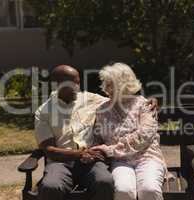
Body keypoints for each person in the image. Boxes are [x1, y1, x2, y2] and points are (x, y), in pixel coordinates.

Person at [34, 65, 158, 200]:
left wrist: (149, 100)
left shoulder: (91, 99)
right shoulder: (43, 112)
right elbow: (49, 149)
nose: (77, 86)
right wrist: (79, 154)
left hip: (91, 162)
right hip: (60, 163)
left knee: (104, 182)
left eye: (78, 82)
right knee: (51, 186)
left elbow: (122, 98)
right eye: (72, 83)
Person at [91, 63, 166, 200]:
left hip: (147, 157)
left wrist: (110, 150)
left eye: (110, 84)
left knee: (149, 189)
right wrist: (94, 150)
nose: (105, 88)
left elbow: (143, 137)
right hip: (120, 161)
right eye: (105, 84)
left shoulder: (144, 105)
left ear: (123, 84)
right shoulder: (102, 110)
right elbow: (98, 137)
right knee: (123, 190)